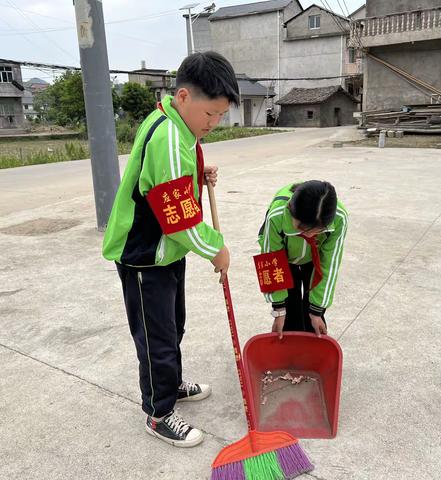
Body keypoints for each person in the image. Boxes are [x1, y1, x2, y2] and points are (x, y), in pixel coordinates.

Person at [102, 51, 239, 448]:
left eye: (220, 116)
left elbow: (169, 181)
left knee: (172, 325)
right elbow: (179, 220)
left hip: (168, 253)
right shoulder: (169, 137)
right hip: (146, 255)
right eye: (210, 114)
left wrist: (199, 172)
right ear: (183, 97)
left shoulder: (178, 127)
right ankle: (158, 413)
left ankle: (172, 383)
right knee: (156, 337)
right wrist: (217, 249)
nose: (213, 124)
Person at [257, 180, 348, 338]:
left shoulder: (339, 219)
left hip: (315, 258)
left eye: (317, 231)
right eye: (301, 228)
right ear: (291, 210)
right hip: (284, 258)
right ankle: (290, 348)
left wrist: (317, 311)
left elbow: (329, 264)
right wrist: (279, 310)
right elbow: (271, 261)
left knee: (312, 315)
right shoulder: (277, 216)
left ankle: (311, 346)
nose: (308, 236)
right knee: (290, 310)